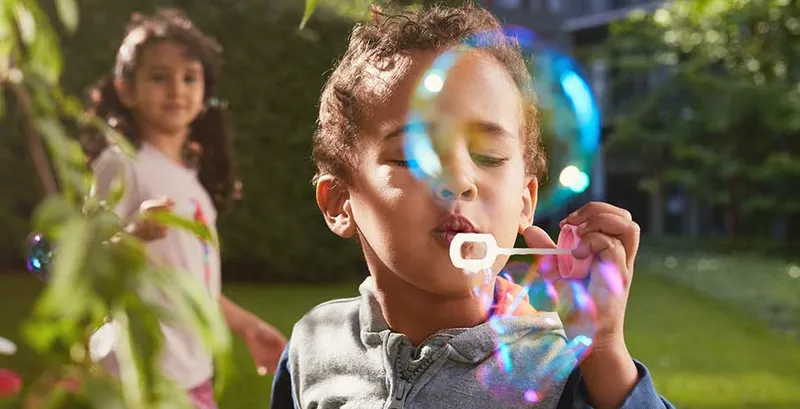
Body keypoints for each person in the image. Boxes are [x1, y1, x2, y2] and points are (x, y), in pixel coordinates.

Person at [270, 5, 674, 409]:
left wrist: (603, 351)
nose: (458, 181)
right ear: (340, 202)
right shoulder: (314, 344)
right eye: (413, 158)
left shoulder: (564, 376)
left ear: (525, 202)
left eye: (490, 157)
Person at [83, 9, 287, 409]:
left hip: (192, 373)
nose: (176, 88)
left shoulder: (190, 180)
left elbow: (195, 281)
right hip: (137, 379)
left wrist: (247, 327)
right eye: (159, 76)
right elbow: (87, 264)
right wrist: (133, 235)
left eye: (189, 77)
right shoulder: (121, 164)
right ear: (126, 90)